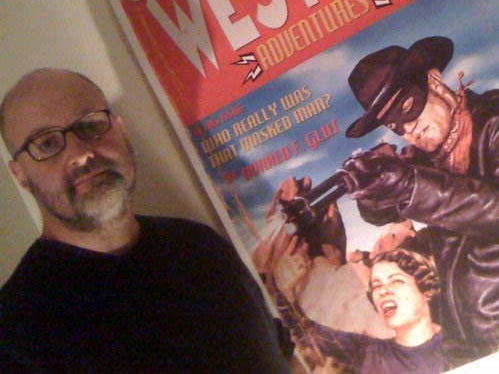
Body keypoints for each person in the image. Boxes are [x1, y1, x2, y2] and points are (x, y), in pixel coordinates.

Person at [0, 68, 291, 372]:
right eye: (46, 143)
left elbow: (283, 356)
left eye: (89, 125)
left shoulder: (200, 246)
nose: (80, 153)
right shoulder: (14, 333)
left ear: (120, 130)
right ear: (20, 175)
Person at [339, 36, 499, 366]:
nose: (409, 128)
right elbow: (381, 211)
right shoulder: (430, 158)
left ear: (433, 81)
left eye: (408, 107)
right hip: (470, 350)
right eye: (394, 125)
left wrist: (408, 185)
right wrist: (371, 188)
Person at [269, 233, 445, 374]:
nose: (383, 291)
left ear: (426, 290)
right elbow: (306, 333)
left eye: (396, 281)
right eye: (376, 285)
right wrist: (285, 291)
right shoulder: (367, 352)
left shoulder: (455, 341)